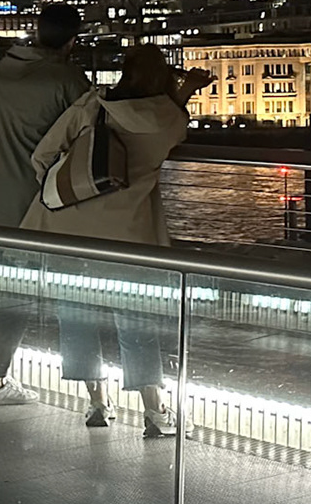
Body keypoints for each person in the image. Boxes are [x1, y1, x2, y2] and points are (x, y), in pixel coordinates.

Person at [21, 45, 213, 437]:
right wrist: (187, 89)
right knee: (135, 319)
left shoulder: (93, 106)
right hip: (128, 234)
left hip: (70, 231)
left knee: (77, 313)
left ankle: (96, 403)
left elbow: (43, 156)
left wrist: (70, 184)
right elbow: (167, 120)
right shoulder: (169, 121)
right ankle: (155, 412)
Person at [0, 3, 91, 406]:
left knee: (13, 296)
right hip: (41, 207)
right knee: (76, 294)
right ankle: (93, 394)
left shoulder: (3, 70)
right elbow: (92, 130)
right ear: (73, 41)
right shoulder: (65, 76)